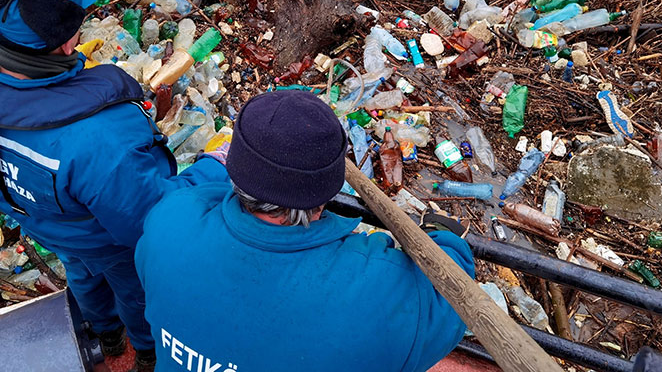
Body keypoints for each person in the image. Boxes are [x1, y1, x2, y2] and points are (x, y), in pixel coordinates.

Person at [0, 0, 226, 371]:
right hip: (106, 239)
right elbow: (153, 221)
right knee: (135, 290)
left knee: (80, 273)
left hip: (40, 219)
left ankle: (104, 332)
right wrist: (216, 167)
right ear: (66, 42)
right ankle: (145, 350)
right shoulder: (99, 134)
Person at [135, 90, 475, 372]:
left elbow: (201, 198)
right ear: (327, 191)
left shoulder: (169, 222)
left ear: (234, 167)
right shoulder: (376, 289)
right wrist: (445, 237)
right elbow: (450, 300)